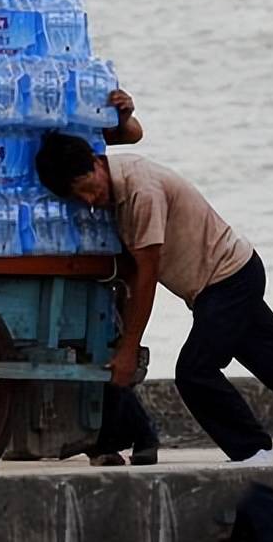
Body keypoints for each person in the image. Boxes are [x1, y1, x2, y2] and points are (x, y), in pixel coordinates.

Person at [33, 132, 273, 465]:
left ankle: (253, 449)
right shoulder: (118, 191)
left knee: (194, 372)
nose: (90, 199)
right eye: (79, 198)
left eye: (88, 186)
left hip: (228, 280)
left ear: (98, 162)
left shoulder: (140, 191)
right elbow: (131, 273)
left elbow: (147, 275)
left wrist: (130, 348)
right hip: (224, 282)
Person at [88, 89, 161, 468]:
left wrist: (123, 113)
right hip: (72, 236)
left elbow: (130, 133)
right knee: (96, 340)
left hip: (102, 237)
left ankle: (134, 433)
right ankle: (110, 439)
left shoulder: (72, 119)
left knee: (108, 340)